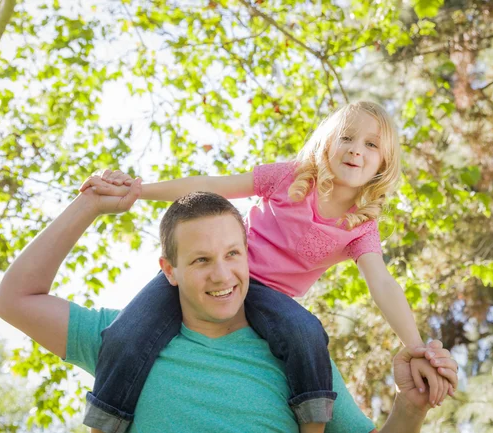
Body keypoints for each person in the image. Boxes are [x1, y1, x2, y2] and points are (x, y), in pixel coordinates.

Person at [81, 101, 452, 433]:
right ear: (327, 144)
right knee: (124, 332)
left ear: (384, 162)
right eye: (347, 138)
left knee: (307, 333)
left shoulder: (361, 227)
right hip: (218, 272)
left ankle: (313, 425)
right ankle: (105, 423)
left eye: (371, 144)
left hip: (268, 298)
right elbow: (211, 186)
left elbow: (383, 285)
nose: (356, 149)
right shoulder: (290, 177)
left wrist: (416, 346)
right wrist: (138, 191)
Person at [0, 186, 458, 433]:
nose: (222, 275)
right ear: (168, 270)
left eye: (233, 255)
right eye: (200, 260)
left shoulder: (297, 353)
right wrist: (88, 204)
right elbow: (13, 299)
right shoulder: (121, 338)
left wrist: (411, 409)